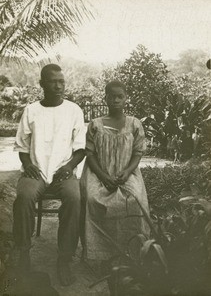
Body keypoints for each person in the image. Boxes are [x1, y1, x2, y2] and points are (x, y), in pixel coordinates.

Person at [13, 64, 86, 286]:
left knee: (74, 199)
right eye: (53, 81)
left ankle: (64, 259)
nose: (58, 86)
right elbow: (22, 146)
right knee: (23, 198)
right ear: (42, 84)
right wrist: (27, 165)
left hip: (63, 172)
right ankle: (24, 252)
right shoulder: (31, 110)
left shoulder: (74, 110)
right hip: (36, 171)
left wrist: (69, 166)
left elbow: (81, 148)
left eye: (61, 81)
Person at [80, 80, 150, 272]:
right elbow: (90, 154)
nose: (116, 100)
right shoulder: (96, 124)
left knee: (135, 200)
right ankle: (101, 254)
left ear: (126, 98)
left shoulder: (134, 124)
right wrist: (103, 176)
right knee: (94, 200)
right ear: (106, 98)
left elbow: (137, 153)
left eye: (120, 96)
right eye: (112, 96)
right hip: (99, 173)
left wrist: (127, 172)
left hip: (126, 173)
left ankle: (132, 251)